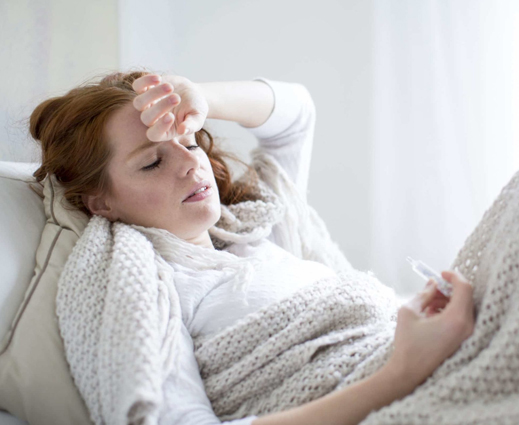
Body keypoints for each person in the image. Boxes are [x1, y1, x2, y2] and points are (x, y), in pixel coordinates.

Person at [29, 70, 476, 425]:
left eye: (190, 142)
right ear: (101, 202)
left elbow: (296, 114)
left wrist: (199, 95)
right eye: (152, 162)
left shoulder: (258, 225)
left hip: (427, 357)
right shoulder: (146, 285)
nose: (192, 164)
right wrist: (403, 371)